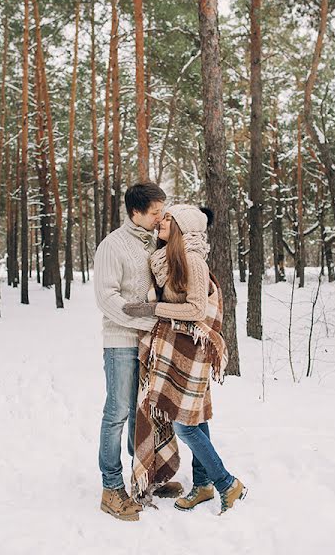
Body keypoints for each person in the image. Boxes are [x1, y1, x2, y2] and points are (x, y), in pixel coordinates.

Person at [124, 204, 247, 515]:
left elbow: (195, 310)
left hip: (192, 349)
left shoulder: (193, 259)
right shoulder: (166, 258)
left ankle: (226, 483)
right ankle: (203, 485)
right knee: (196, 418)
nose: (161, 222)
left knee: (184, 426)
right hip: (176, 347)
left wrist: (153, 310)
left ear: (181, 226)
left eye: (167, 218)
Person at [93, 182, 182, 522]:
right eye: (155, 212)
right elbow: (107, 298)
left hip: (149, 344)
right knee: (116, 413)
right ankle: (111, 489)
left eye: (163, 210)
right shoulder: (112, 246)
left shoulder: (153, 241)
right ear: (136, 213)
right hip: (121, 342)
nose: (162, 217)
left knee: (141, 412)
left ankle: (143, 476)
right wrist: (149, 322)